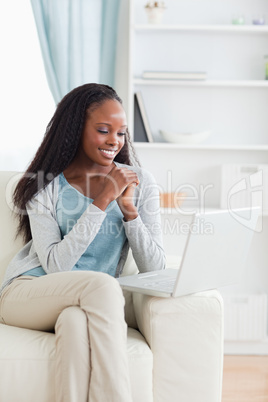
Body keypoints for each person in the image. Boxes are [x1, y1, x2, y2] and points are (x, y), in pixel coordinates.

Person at [0, 83, 165, 402]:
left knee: (76, 325)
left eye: (121, 133)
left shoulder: (140, 182)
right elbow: (56, 266)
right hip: (28, 292)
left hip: (83, 303)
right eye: (104, 130)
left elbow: (154, 269)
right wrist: (102, 200)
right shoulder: (43, 184)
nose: (114, 142)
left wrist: (129, 212)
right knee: (104, 286)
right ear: (76, 129)